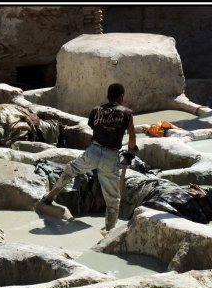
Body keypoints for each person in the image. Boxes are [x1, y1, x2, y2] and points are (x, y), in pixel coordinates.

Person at [40, 83, 138, 231]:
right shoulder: (127, 113)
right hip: (111, 157)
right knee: (113, 199)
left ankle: (49, 197)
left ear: (107, 96)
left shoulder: (96, 110)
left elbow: (95, 128)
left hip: (93, 151)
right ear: (121, 97)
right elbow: (132, 137)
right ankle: (109, 231)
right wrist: (130, 153)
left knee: (70, 170)